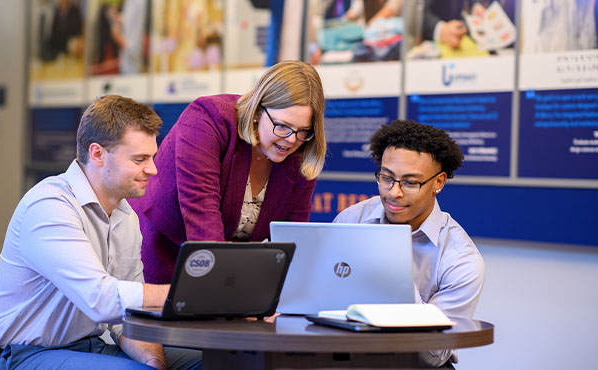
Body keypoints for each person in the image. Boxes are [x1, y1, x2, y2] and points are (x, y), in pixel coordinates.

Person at [0, 95, 202, 370]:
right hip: (15, 355)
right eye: (140, 159)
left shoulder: (126, 217)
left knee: (209, 364)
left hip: (88, 346)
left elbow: (129, 318)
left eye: (152, 157)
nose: (152, 169)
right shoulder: (50, 206)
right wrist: (192, 294)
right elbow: (101, 299)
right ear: (97, 154)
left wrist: (155, 361)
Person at [129, 60, 326, 284]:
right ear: (257, 111)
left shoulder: (301, 153)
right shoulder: (208, 118)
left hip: (228, 269)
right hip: (161, 249)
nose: (291, 140)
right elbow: (201, 213)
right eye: (282, 126)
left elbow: (292, 238)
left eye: (303, 131)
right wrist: (224, 294)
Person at [333, 119, 485, 367]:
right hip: (347, 355)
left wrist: (395, 275)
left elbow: (433, 355)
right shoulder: (352, 220)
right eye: (387, 178)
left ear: (439, 182)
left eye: (410, 183)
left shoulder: (461, 260)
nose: (394, 193)